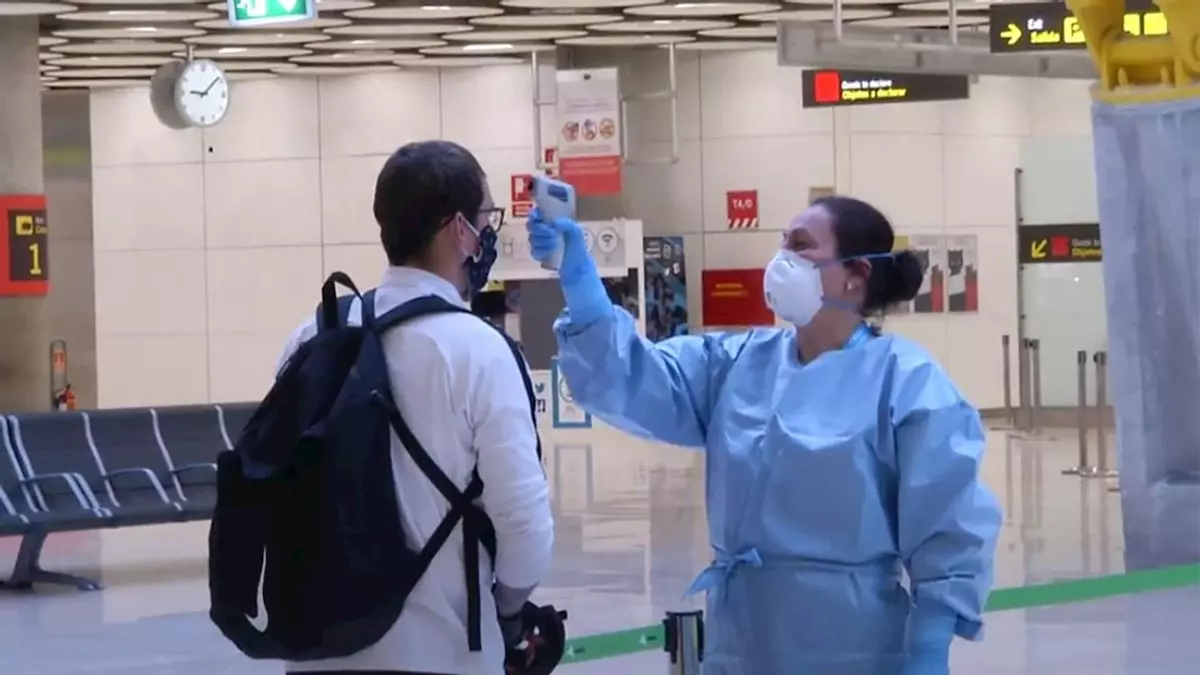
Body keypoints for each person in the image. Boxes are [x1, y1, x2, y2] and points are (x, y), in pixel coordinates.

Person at [527, 195, 1002, 675]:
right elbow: (631, 377)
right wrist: (582, 285)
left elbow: (947, 523)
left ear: (855, 274)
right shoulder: (736, 363)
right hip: (740, 642)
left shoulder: (906, 382)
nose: (782, 259)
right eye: (783, 243)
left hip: (853, 645)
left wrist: (930, 646)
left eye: (801, 245)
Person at [280, 140, 554, 675]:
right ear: (459, 229)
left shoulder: (312, 335)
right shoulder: (481, 352)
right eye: (486, 217)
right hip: (441, 654)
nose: (489, 233)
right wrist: (508, 613)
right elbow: (525, 527)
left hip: (314, 650)